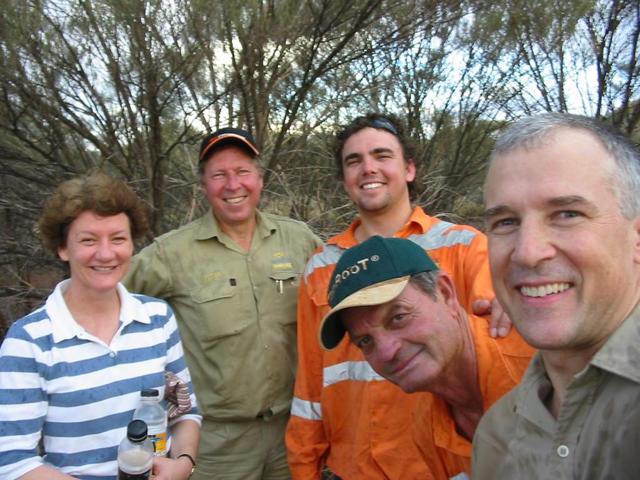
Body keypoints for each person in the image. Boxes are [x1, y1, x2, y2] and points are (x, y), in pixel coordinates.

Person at [285, 113, 508, 479]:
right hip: (352, 469)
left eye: (381, 155)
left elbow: (500, 362)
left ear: (409, 169)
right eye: (353, 161)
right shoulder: (321, 267)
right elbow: (309, 387)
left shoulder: (466, 247)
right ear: (343, 180)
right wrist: (305, 470)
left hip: (442, 467)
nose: (368, 168)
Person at [124, 128, 322, 480]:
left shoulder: (300, 240)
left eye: (243, 171)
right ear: (204, 187)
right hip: (215, 444)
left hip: (292, 433)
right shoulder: (173, 253)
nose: (233, 185)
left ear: (259, 179)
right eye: (219, 175)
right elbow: (108, 297)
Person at [0, 172, 201, 480]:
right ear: (63, 248)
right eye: (88, 240)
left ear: (133, 244)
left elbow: (184, 410)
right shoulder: (28, 342)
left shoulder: (157, 317)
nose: (106, 254)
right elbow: (13, 461)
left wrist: (184, 464)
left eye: (118, 238)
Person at [473, 113, 640, 478]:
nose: (528, 252)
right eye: (506, 222)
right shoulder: (497, 436)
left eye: (567, 213)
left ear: (637, 236)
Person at [317, 236, 533, 478]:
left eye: (398, 317)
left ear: (446, 293)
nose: (387, 352)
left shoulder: (540, 363)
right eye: (365, 341)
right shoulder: (427, 425)